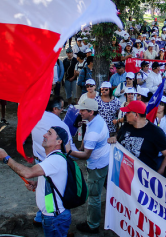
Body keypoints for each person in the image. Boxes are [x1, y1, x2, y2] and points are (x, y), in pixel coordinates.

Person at [0, 127, 72, 236]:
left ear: (59, 142)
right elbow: (53, 182)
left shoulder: (54, 160)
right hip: (52, 214)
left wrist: (6, 158)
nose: (44, 135)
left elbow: (28, 173)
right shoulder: (53, 158)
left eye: (49, 133)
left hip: (55, 218)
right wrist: (37, 184)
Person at [67, 99, 109, 234]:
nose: (80, 113)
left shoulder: (93, 133)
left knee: (94, 197)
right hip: (103, 161)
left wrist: (69, 151)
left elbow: (85, 155)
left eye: (83, 110)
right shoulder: (97, 120)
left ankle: (93, 225)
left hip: (96, 166)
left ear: (91, 112)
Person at [109, 101, 166, 174]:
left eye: (128, 112)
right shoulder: (126, 126)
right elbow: (119, 136)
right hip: (124, 174)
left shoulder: (156, 132)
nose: (125, 114)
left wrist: (158, 175)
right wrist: (114, 138)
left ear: (136, 115)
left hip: (142, 178)